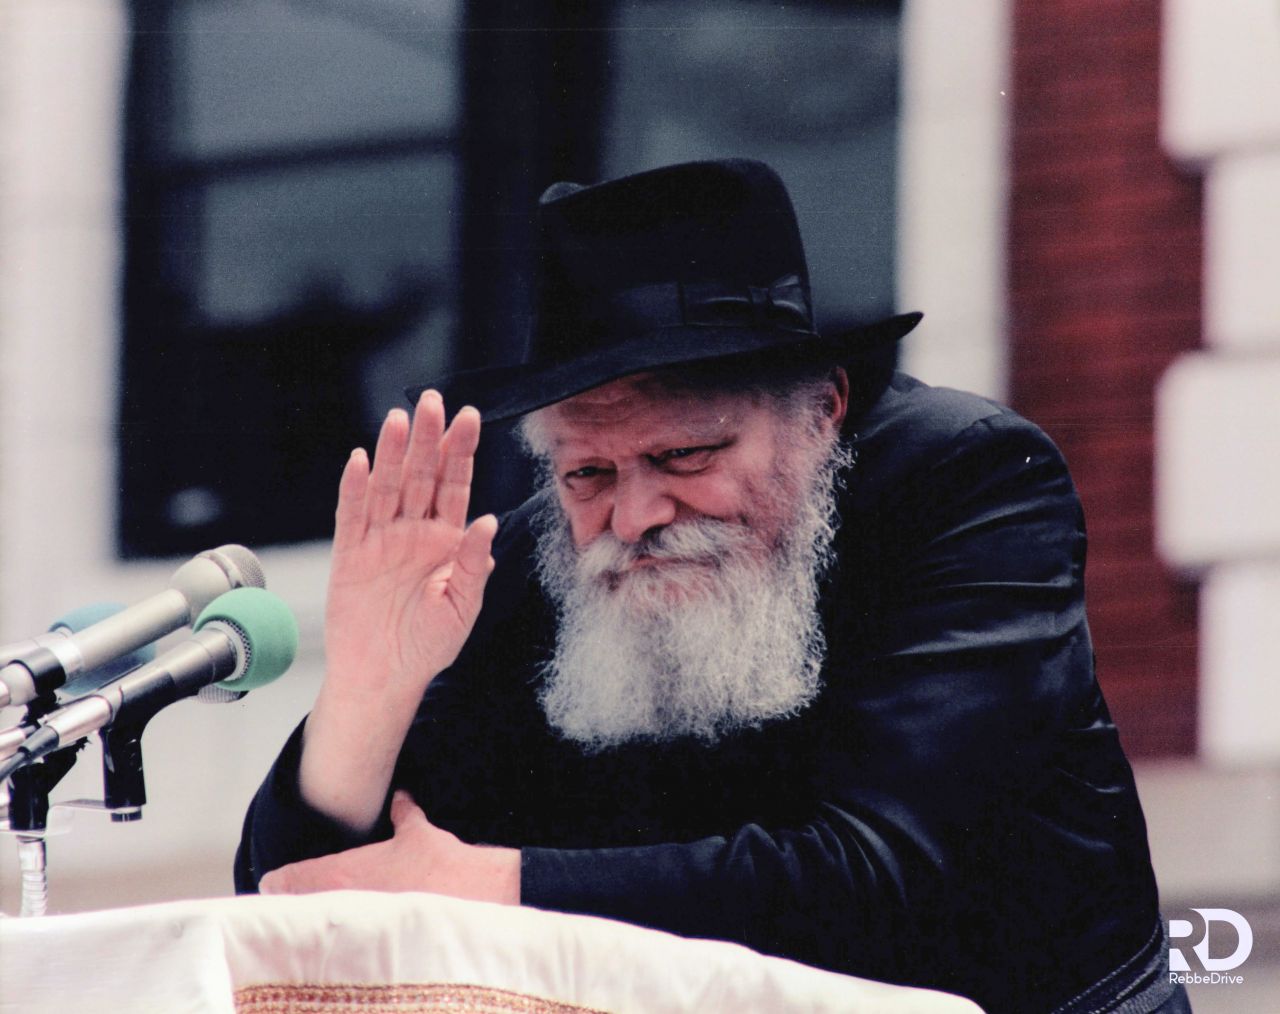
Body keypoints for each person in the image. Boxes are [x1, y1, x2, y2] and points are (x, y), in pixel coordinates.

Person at [235, 160, 1186, 1012]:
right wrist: (369, 692)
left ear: (820, 409)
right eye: (588, 472)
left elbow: (888, 876)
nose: (634, 516)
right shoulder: (537, 556)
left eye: (684, 455)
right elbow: (292, 916)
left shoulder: (968, 483)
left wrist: (490, 886)